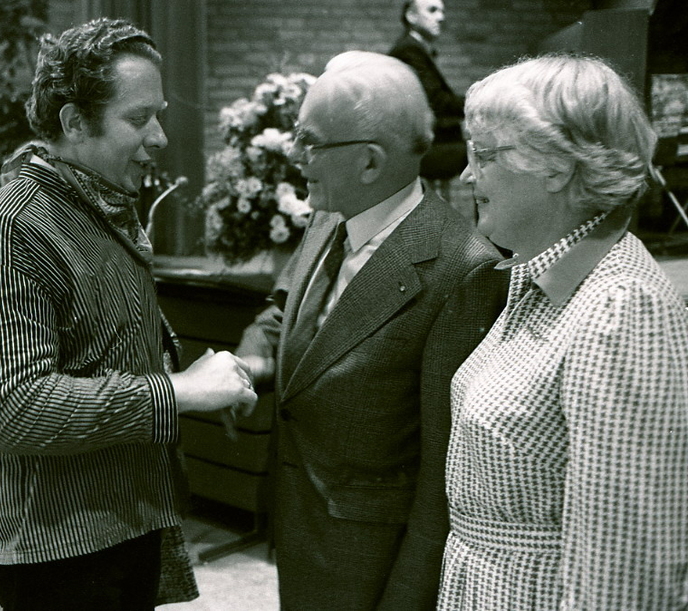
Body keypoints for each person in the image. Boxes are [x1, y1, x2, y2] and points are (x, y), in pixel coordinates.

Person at [0, 18, 257, 610]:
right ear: (74, 122)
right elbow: (16, 408)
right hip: (58, 545)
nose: (160, 137)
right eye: (139, 118)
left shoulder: (94, 207)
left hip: (120, 521)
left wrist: (192, 379)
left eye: (159, 114)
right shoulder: (8, 232)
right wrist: (179, 391)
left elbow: (101, 348)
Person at [235, 51, 506, 610]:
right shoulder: (328, 215)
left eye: (309, 141)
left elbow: (442, 478)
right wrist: (252, 360)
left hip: (369, 562)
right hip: (300, 527)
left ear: (368, 162)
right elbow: (285, 314)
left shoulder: (462, 269)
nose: (294, 154)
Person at [438, 54, 688, 610]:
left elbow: (629, 574)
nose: (467, 175)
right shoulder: (540, 273)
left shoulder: (624, 308)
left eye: (484, 154)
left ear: (554, 165)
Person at [389, 0, 467, 204]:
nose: (441, 17)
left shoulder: (414, 48)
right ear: (411, 16)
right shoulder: (409, 50)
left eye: (442, 11)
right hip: (417, 150)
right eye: (432, 10)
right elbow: (438, 103)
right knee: (480, 155)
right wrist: (478, 101)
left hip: (423, 144)